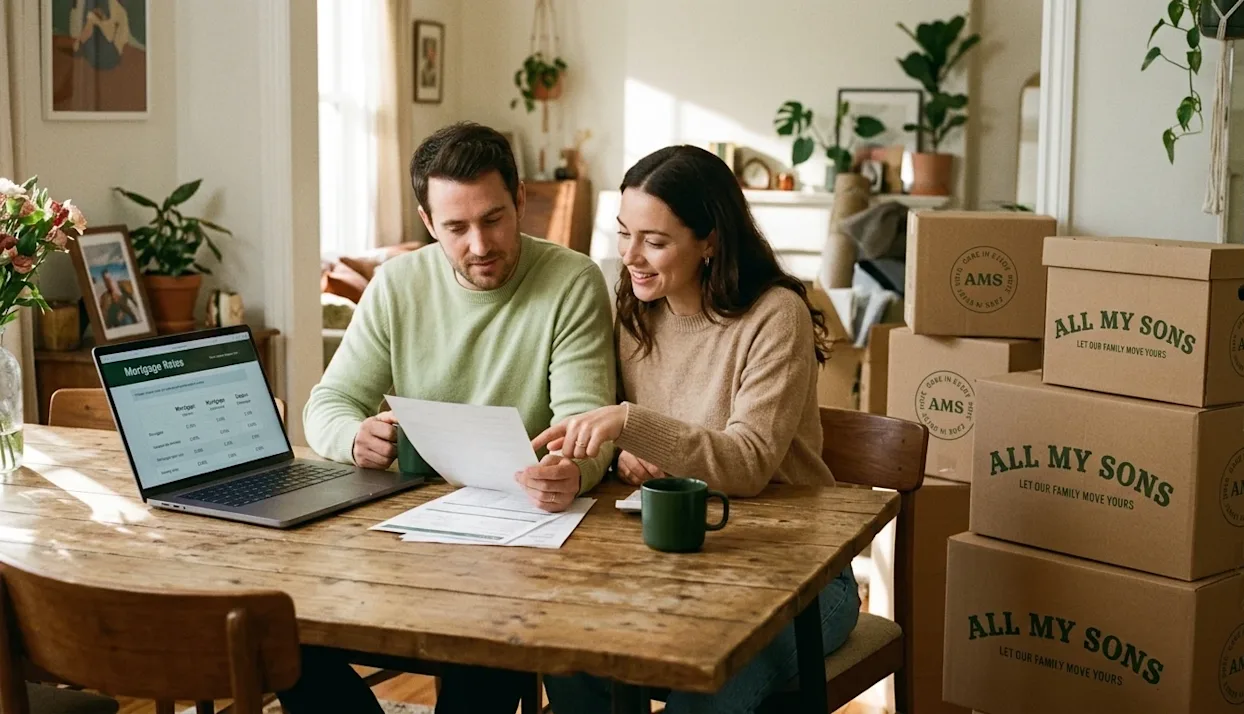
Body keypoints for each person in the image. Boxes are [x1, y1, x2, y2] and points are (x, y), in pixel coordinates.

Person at [292, 121, 616, 714]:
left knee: (484, 640)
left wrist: (571, 469)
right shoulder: (397, 285)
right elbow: (328, 403)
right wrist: (354, 436)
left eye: (493, 219)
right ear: (427, 221)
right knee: (284, 629)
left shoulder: (572, 281)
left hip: (521, 538)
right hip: (407, 529)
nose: (480, 245)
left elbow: (585, 425)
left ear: (520, 199)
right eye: (456, 228)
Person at [533, 145, 857, 714]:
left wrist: (631, 425)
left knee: (702, 691)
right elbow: (625, 441)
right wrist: (617, 456)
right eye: (623, 233)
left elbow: (749, 462)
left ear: (711, 241)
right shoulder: (636, 311)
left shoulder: (774, 315)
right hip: (672, 563)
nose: (631, 256)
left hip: (798, 580)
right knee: (570, 654)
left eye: (655, 242)